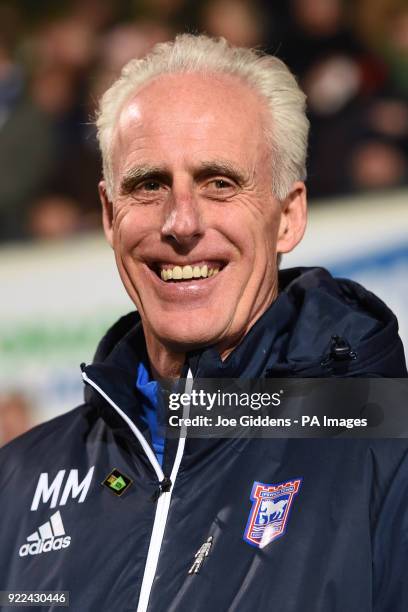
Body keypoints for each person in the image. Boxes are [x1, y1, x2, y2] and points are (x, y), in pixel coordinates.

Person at [0, 34, 407, 612]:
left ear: (288, 215)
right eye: (148, 184)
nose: (181, 222)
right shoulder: (17, 481)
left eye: (219, 182)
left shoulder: (387, 447)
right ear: (110, 217)